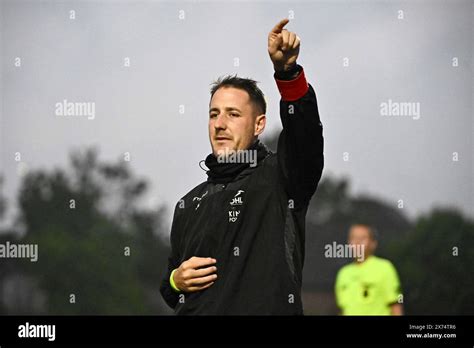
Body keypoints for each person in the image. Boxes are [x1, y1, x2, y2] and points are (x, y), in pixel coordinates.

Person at [159, 18, 324, 315]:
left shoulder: (280, 178)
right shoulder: (187, 204)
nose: (220, 124)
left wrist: (287, 73)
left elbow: (305, 135)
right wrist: (174, 281)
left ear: (259, 124)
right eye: (214, 114)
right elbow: (172, 290)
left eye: (233, 114)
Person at [335, 224, 403, 315]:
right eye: (353, 238)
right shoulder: (343, 273)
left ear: (373, 243)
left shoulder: (384, 268)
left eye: (362, 238)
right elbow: (343, 310)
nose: (357, 242)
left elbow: (395, 306)